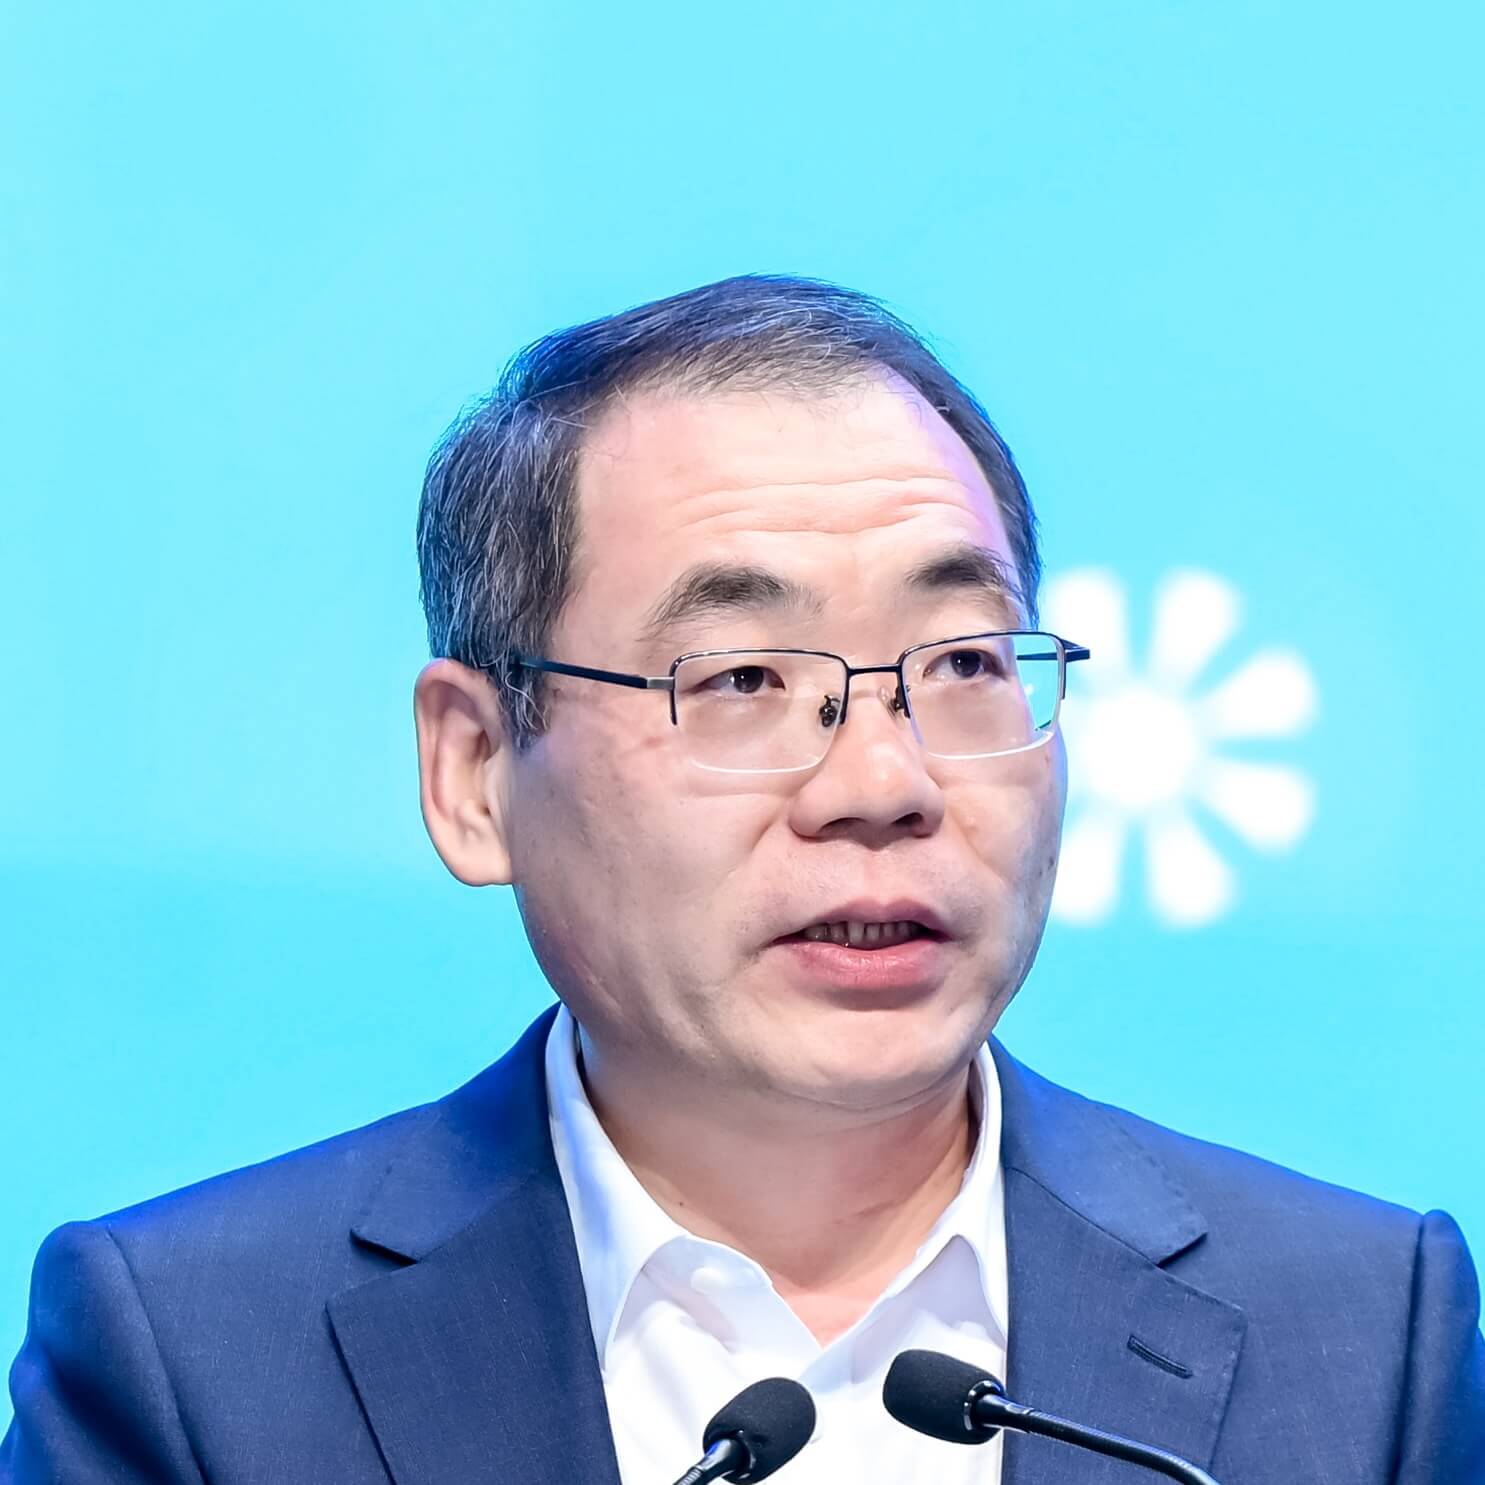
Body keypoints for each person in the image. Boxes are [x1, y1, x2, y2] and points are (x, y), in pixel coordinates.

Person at [3, 276, 1482, 1485]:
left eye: (965, 664)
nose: (882, 783)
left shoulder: (1365, 1339)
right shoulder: (191, 1363)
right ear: (474, 769)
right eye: (742, 680)